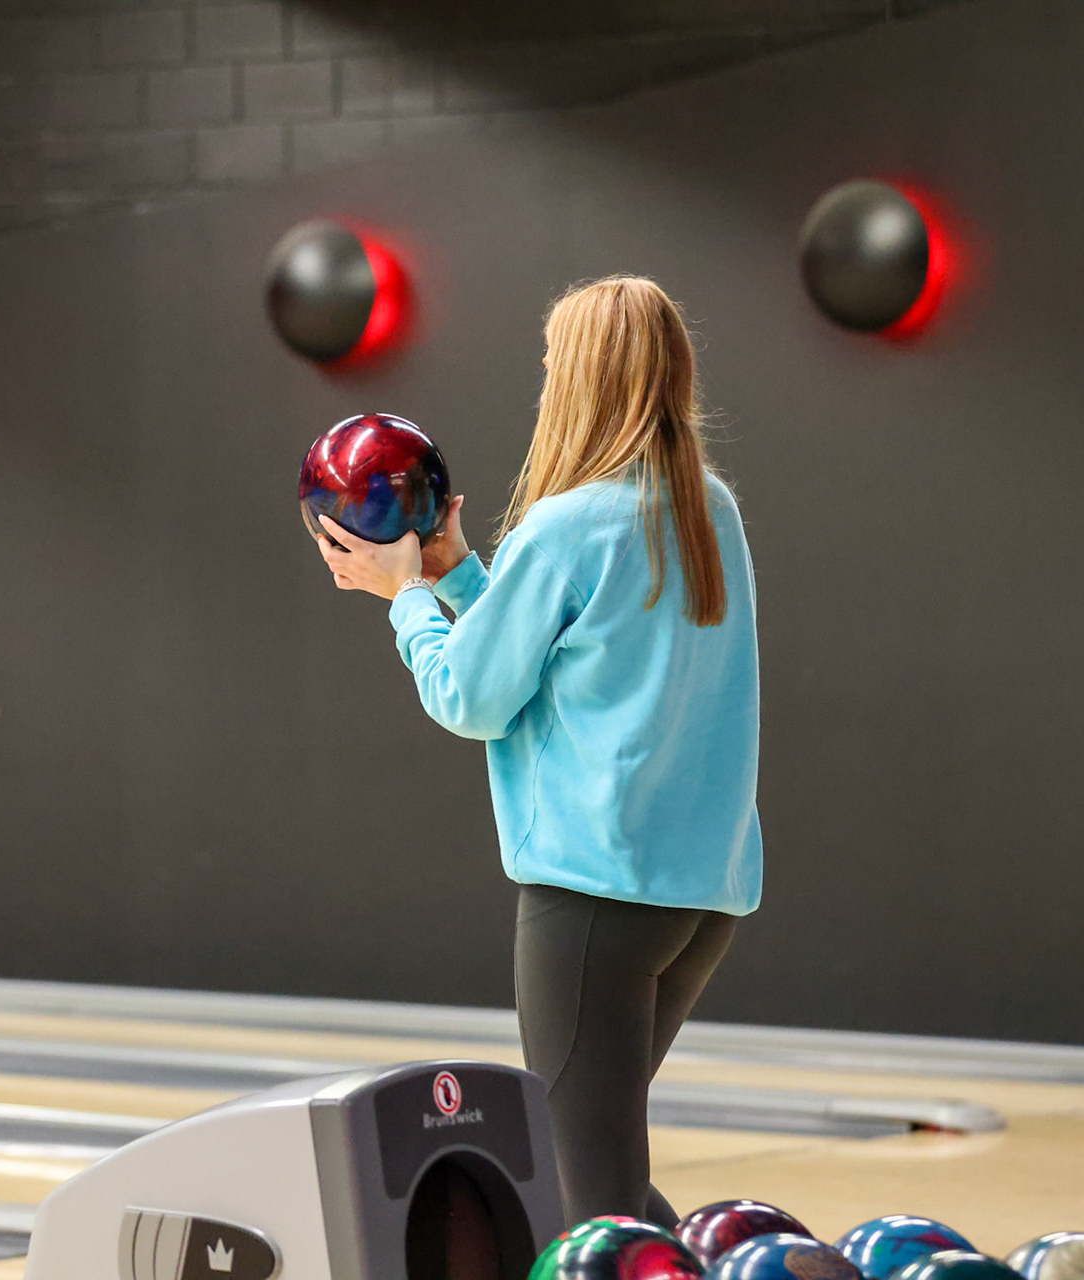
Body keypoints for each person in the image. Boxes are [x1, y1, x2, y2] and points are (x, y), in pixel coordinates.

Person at [315, 275, 762, 1230]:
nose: (548, 377)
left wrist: (404, 598)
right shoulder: (709, 511)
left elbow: (473, 698)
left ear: (585, 379)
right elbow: (556, 667)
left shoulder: (565, 526)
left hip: (594, 898)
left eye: (556, 362)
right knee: (592, 1161)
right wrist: (459, 577)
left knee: (588, 1188)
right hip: (698, 898)